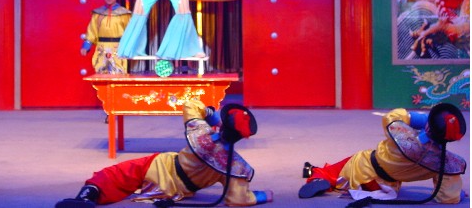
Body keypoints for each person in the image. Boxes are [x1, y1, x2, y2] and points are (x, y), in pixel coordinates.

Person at [55, 99, 273, 207]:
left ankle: (86, 198)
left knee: (115, 174)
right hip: (177, 191)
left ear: (223, 124)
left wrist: (211, 116)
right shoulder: (236, 167)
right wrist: (260, 196)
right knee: (126, 178)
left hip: (160, 166)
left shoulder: (202, 132)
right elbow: (237, 199)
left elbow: (190, 104)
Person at [298, 102, 467, 204]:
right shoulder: (445, 163)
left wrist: (418, 119)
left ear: (429, 124)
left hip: (364, 166)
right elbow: (447, 197)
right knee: (347, 176)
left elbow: (392, 116)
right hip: (387, 187)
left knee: (333, 171)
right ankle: (314, 171)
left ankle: (315, 174)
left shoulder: (403, 135)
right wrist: (456, 193)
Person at [81, 0, 131, 74]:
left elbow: (130, 33)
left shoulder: (124, 14)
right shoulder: (98, 13)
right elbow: (92, 31)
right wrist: (86, 46)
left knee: (118, 73)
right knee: (100, 73)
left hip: (118, 48)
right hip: (101, 48)